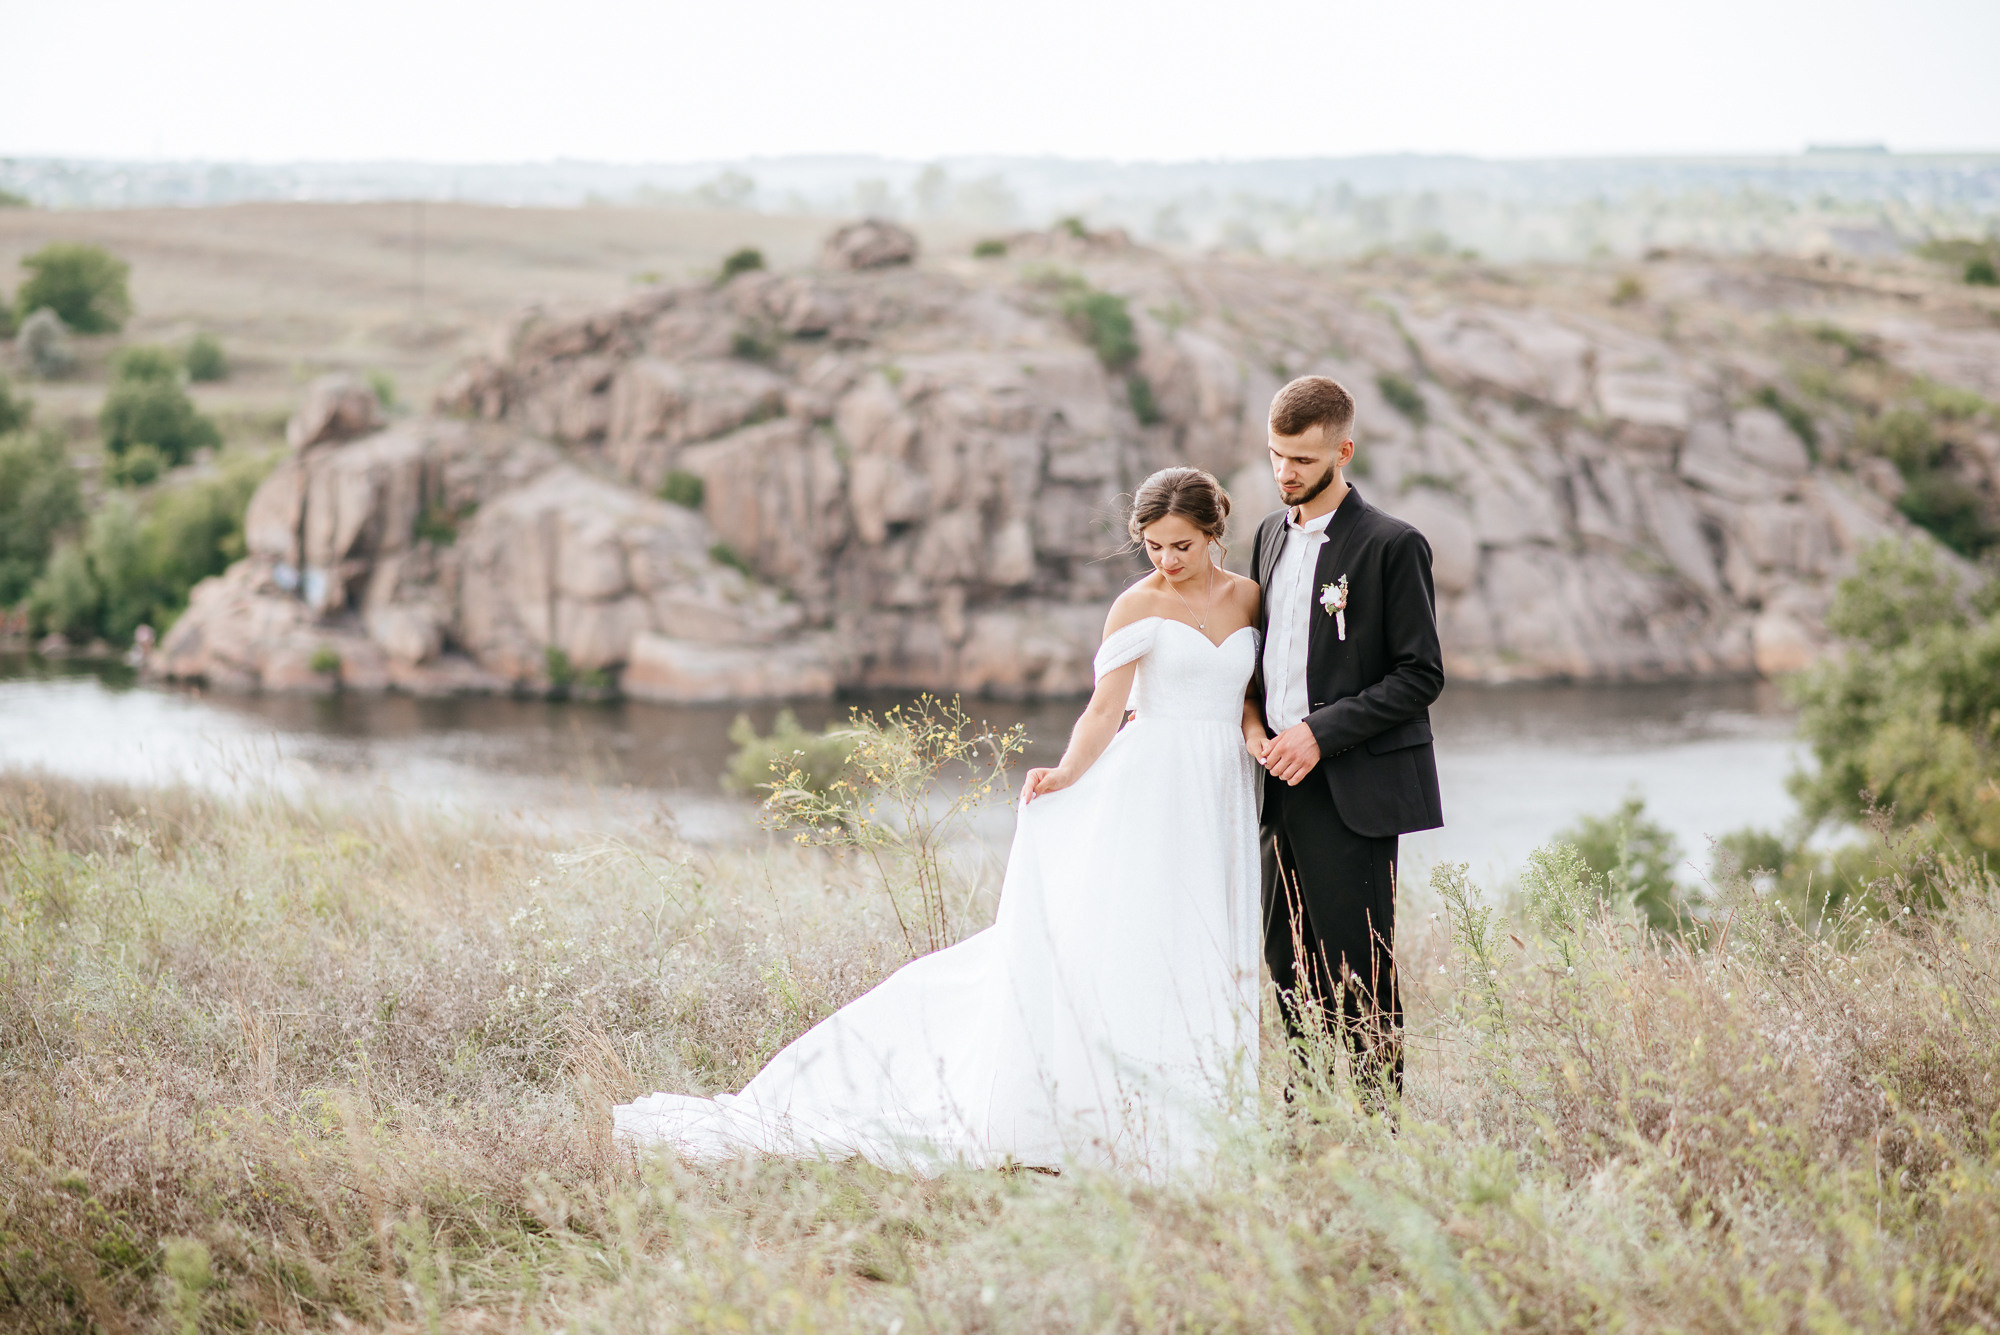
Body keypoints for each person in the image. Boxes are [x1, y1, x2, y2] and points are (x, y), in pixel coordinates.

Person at [613, 467, 1266, 1176]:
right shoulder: (1136, 604)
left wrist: (1256, 734)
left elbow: (1244, 693)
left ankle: (1206, 1111)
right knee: (1140, 937)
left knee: (1207, 936)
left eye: (1180, 546)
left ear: (1213, 533)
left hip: (1221, 787)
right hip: (1149, 789)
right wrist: (1067, 772)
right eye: (1153, 546)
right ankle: (1121, 1118)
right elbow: (1104, 709)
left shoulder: (1248, 597)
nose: (1166, 560)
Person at [1249, 376, 1444, 1105]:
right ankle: (1305, 1117)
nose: (1285, 472)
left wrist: (1318, 734)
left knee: (1360, 972)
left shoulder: (1393, 544)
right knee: (1286, 963)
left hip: (1352, 788)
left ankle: (1377, 1127)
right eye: (1276, 455)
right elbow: (1263, 656)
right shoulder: (1267, 536)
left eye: (1302, 459)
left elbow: (1420, 675)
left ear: (1343, 451)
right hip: (1276, 785)